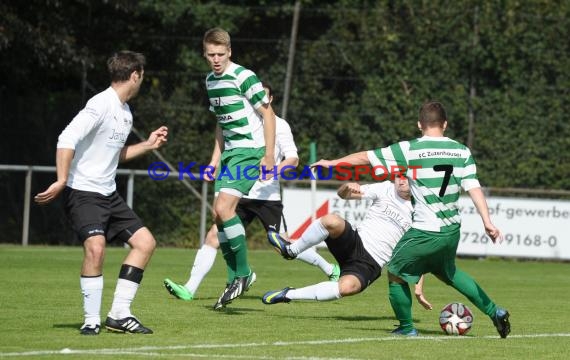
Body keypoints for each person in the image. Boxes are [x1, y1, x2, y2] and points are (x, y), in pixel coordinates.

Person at [310, 101, 510, 338]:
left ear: (419, 124)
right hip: (451, 230)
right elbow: (474, 188)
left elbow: (366, 157)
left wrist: (332, 163)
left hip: (426, 230)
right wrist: (487, 221)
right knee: (450, 273)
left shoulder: (410, 150)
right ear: (445, 124)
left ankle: (406, 328)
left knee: (394, 270)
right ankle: (494, 311)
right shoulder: (462, 151)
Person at [163, 84, 340, 307]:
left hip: (267, 196)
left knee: (283, 246)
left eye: (263, 97)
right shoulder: (242, 124)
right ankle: (189, 288)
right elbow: (221, 135)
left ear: (271, 99)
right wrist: (214, 163)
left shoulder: (280, 125)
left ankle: (329, 268)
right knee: (213, 236)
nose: (258, 101)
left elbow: (293, 160)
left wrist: (272, 170)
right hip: (239, 192)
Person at [34, 51, 168, 335]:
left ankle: (119, 314)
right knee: (96, 248)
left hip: (109, 194)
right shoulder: (101, 103)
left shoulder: (125, 111)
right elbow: (67, 137)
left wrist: (146, 145)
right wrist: (61, 180)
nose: (141, 81)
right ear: (135, 75)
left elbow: (113, 154)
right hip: (82, 193)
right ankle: (91, 319)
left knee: (145, 244)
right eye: (141, 76)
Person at [264, 178, 432, 312]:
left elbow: (418, 252)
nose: (400, 181)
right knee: (331, 220)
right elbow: (343, 195)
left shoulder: (421, 211)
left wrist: (419, 288)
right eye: (398, 176)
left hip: (370, 263)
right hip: (355, 242)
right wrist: (346, 187)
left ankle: (288, 294)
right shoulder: (385, 188)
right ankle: (291, 250)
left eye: (406, 178)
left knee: (346, 288)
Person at [201, 27, 276, 308]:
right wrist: (213, 161)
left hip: (250, 150)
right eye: (211, 55)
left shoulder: (244, 76)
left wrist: (268, 155)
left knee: (224, 209)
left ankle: (243, 273)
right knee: (218, 215)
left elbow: (268, 115)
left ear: (229, 52)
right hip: (231, 154)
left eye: (221, 54)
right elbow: (221, 123)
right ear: (205, 54)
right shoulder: (210, 81)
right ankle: (235, 276)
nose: (216, 59)